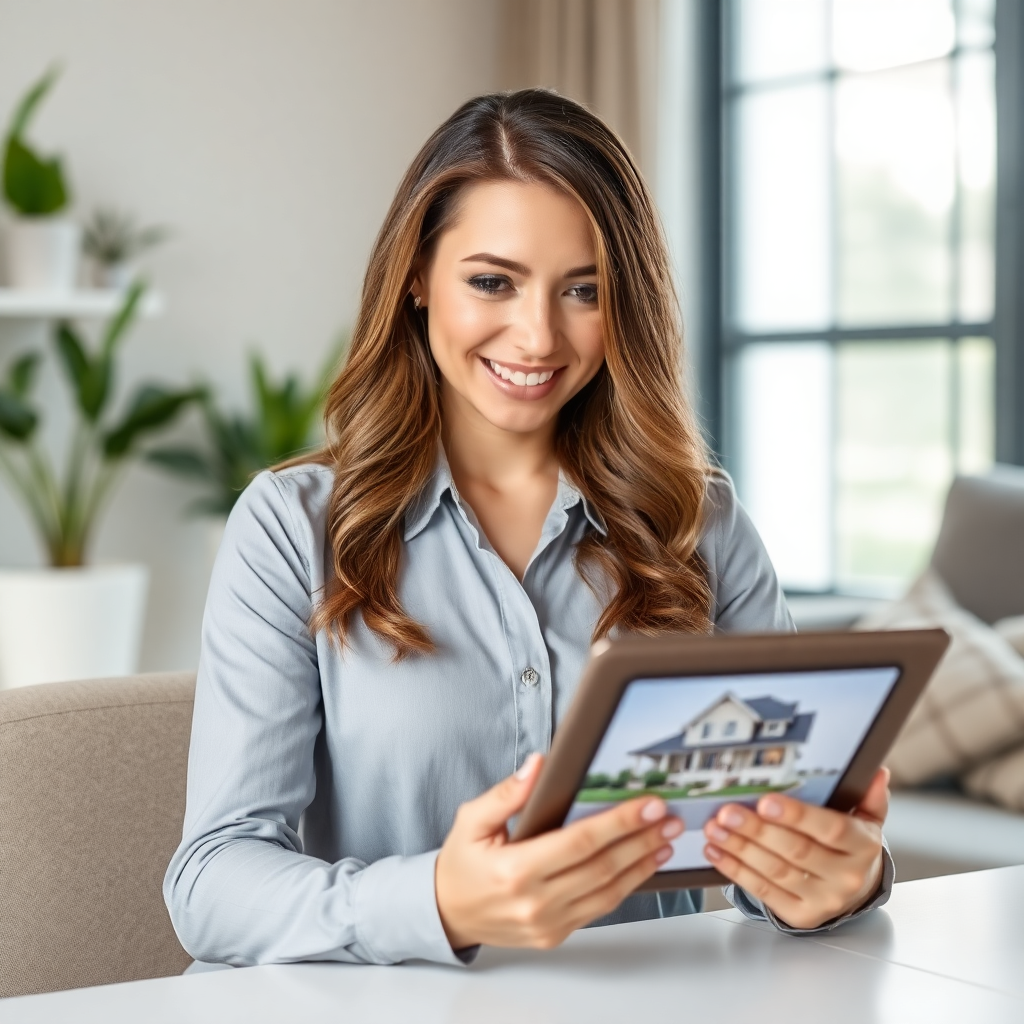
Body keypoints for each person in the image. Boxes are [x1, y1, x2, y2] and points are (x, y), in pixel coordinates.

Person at [164, 89, 893, 968]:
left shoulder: (702, 526)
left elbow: (763, 847)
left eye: (583, 289)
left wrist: (829, 882)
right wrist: (439, 900)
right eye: (492, 282)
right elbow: (210, 884)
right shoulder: (292, 531)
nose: (539, 335)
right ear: (416, 280)